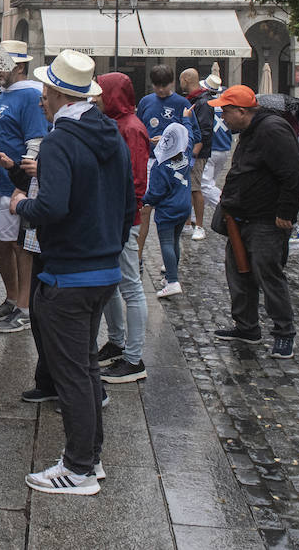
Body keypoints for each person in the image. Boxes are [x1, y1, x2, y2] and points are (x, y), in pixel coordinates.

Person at [12, 50, 135, 496]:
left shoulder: (61, 140)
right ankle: (90, 458)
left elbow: (52, 206)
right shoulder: (110, 133)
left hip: (69, 273)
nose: (42, 100)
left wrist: (20, 206)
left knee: (72, 376)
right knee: (85, 370)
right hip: (101, 268)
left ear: (56, 93)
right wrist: (109, 247)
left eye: (46, 92)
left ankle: (79, 467)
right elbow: (128, 206)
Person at [207, 84, 299, 359]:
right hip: (242, 217)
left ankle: (284, 333)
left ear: (241, 111)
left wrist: (286, 213)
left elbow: (293, 174)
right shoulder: (250, 130)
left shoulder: (272, 129)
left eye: (225, 112)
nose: (222, 118)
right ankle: (247, 326)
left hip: (265, 220)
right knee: (239, 274)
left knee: (268, 275)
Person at [0, 40, 48, 334]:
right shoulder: (7, 95)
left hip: (13, 186)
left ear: (18, 66)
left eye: (1, 63)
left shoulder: (31, 95)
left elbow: (35, 142)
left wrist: (26, 185)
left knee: (21, 247)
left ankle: (24, 306)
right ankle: (11, 296)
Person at [93, 71, 150, 386]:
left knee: (130, 286)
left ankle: (133, 357)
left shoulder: (130, 128)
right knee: (114, 285)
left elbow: (136, 181)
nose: (96, 98)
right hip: (113, 217)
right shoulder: (117, 125)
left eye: (101, 92)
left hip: (123, 219)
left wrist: (124, 214)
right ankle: (117, 343)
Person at [135, 65, 192, 257]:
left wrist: (171, 144)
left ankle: (168, 259)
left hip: (173, 164)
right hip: (150, 162)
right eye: (157, 86)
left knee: (169, 212)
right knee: (144, 210)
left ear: (172, 83)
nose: (160, 90)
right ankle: (139, 256)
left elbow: (191, 135)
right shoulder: (145, 102)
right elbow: (138, 128)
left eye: (164, 85)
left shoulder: (181, 103)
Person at [145, 123, 193, 298]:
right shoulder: (186, 156)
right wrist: (187, 119)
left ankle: (172, 281)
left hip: (167, 210)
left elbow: (156, 192)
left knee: (166, 243)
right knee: (174, 242)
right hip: (184, 207)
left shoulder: (160, 166)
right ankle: (171, 275)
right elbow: (190, 136)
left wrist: (145, 201)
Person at [182, 68, 215, 241]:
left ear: (187, 79)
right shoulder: (194, 99)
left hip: (197, 152)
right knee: (188, 188)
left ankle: (199, 226)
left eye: (181, 78)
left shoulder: (202, 102)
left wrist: (193, 154)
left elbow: (204, 131)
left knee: (195, 188)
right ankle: (187, 223)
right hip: (191, 151)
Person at [201, 75, 232, 215]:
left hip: (211, 149)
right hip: (225, 148)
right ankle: (195, 215)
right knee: (210, 182)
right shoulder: (225, 105)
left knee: (205, 185)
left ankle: (226, 208)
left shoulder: (206, 104)